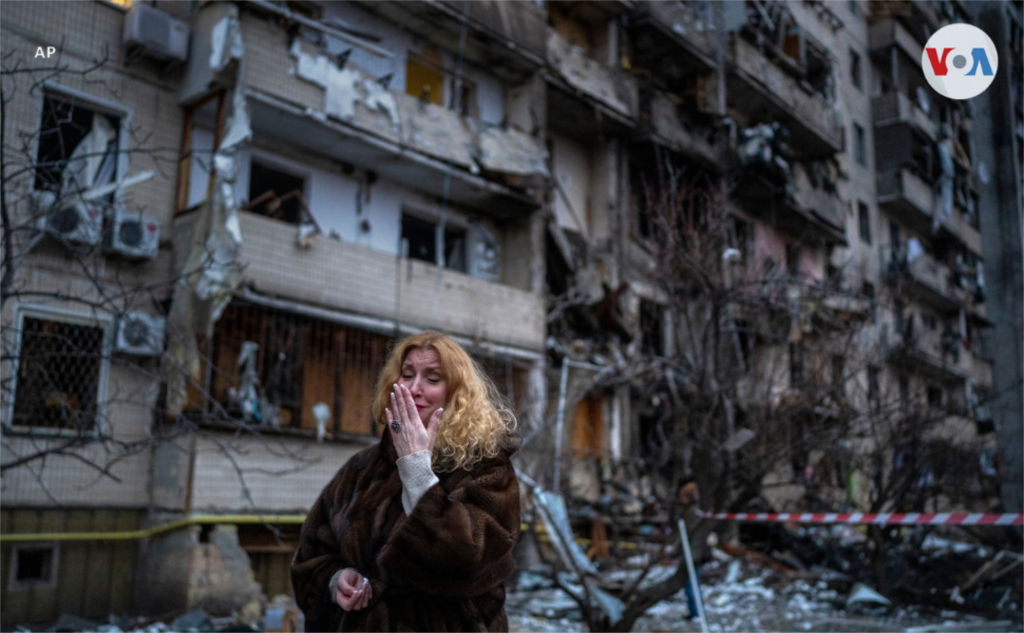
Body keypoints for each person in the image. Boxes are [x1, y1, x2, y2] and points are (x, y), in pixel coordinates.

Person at [291, 332, 521, 633]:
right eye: (408, 375)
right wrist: (335, 580)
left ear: (456, 393)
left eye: (432, 379)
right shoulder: (362, 467)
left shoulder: (486, 466)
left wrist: (416, 469)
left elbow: (471, 559)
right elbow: (312, 555)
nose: (414, 389)